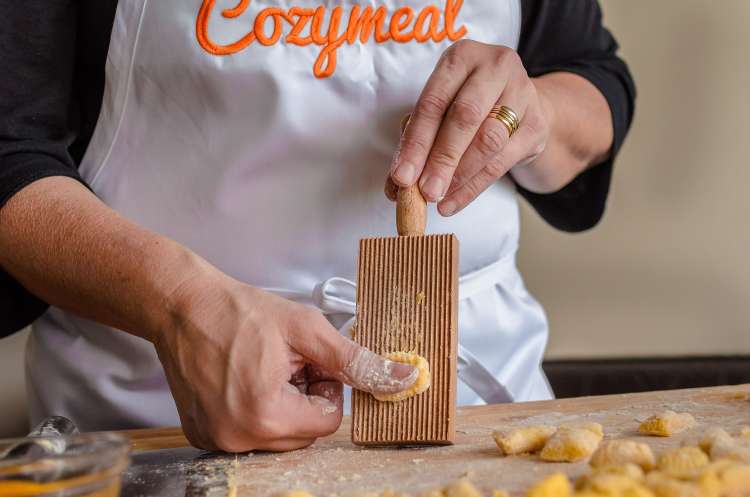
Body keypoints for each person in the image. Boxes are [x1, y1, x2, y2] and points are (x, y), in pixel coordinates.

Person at [0, 0, 635, 452]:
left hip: (483, 418)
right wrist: (179, 305)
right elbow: (9, 152)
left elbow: (593, 72)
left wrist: (538, 113)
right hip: (161, 412)